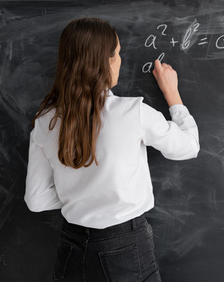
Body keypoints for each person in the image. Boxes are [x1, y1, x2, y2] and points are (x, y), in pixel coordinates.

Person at [25, 17, 199, 281]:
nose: (120, 60)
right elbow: (188, 148)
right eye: (117, 54)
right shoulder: (132, 112)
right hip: (123, 248)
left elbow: (36, 200)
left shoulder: (45, 122)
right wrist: (172, 95)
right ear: (104, 62)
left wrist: (82, 193)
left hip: (71, 248)